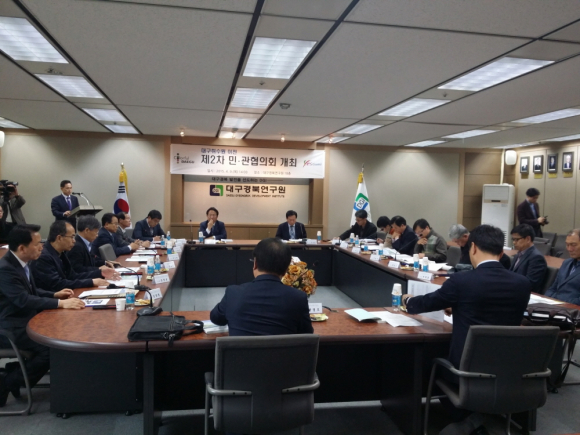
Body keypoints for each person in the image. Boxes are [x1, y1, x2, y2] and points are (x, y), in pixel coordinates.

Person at [402, 225, 531, 434]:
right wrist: (459, 306)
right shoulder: (523, 284)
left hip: (466, 371)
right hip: (508, 370)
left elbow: (427, 303)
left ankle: (470, 420)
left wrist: (408, 300)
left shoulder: (462, 281)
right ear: (501, 252)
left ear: (473, 248)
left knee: (428, 364)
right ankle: (484, 417)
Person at [0, 224, 85, 407]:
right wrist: (60, 303)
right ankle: (8, 381)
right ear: (22, 248)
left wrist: (54, 295)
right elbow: (23, 299)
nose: (42, 247)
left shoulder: (22, 262)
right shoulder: (5, 269)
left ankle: (15, 370)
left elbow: (31, 291)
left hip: (26, 319)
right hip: (10, 327)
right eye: (38, 244)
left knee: (62, 333)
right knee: (51, 348)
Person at [210, 238, 313, 336]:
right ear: (286, 269)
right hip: (282, 350)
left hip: (244, 350)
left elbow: (215, 318)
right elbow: (307, 335)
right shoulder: (298, 298)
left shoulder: (233, 293)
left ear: (255, 264)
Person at [32, 221, 115, 292]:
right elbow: (58, 284)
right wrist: (91, 282)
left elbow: (72, 276)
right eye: (71, 237)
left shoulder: (61, 253)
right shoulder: (43, 257)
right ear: (59, 238)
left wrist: (100, 273)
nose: (74, 241)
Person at [509, 224, 547, 293]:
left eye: (517, 239)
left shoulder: (536, 258)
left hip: (524, 294)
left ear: (528, 239)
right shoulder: (518, 254)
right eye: (513, 239)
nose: (514, 242)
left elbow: (530, 284)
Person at [545, 229, 580, 304]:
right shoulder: (566, 263)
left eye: (573, 245)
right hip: (554, 306)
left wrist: (559, 301)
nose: (569, 249)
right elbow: (552, 288)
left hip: (572, 309)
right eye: (567, 245)